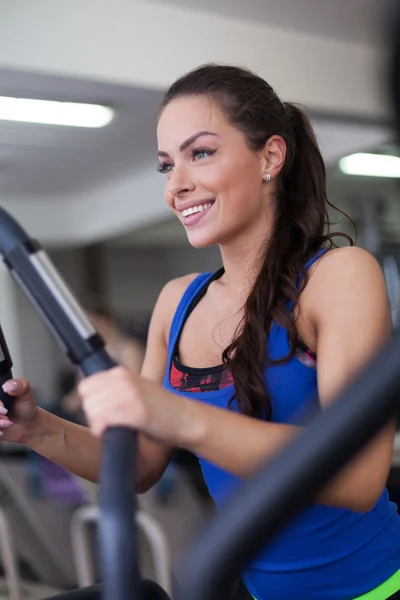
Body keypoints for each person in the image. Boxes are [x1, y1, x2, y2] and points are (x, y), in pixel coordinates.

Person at [0, 63, 399, 600]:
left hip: (373, 588)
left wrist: (177, 414)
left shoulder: (338, 276)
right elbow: (139, 465)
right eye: (166, 164)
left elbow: (358, 477)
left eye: (200, 153)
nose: (176, 184)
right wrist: (34, 428)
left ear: (270, 157)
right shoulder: (178, 303)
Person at [60, 300, 144, 423]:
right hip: (93, 411)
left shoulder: (128, 348)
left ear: (107, 320)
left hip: (120, 411)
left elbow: (136, 385)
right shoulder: (89, 354)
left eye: (93, 322)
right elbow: (80, 389)